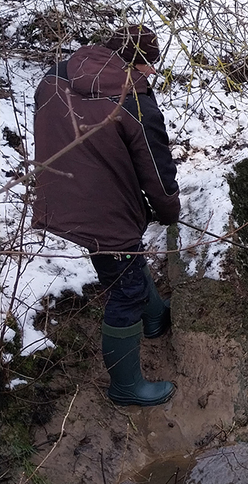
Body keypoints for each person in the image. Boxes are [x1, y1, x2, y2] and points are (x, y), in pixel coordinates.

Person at [32, 25, 181, 408]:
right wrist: (168, 211)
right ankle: (126, 387)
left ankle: (155, 317)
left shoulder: (57, 77)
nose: (152, 76)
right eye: (150, 67)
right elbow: (157, 170)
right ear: (136, 63)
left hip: (60, 196)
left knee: (123, 256)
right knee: (125, 288)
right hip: (104, 207)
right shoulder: (132, 100)